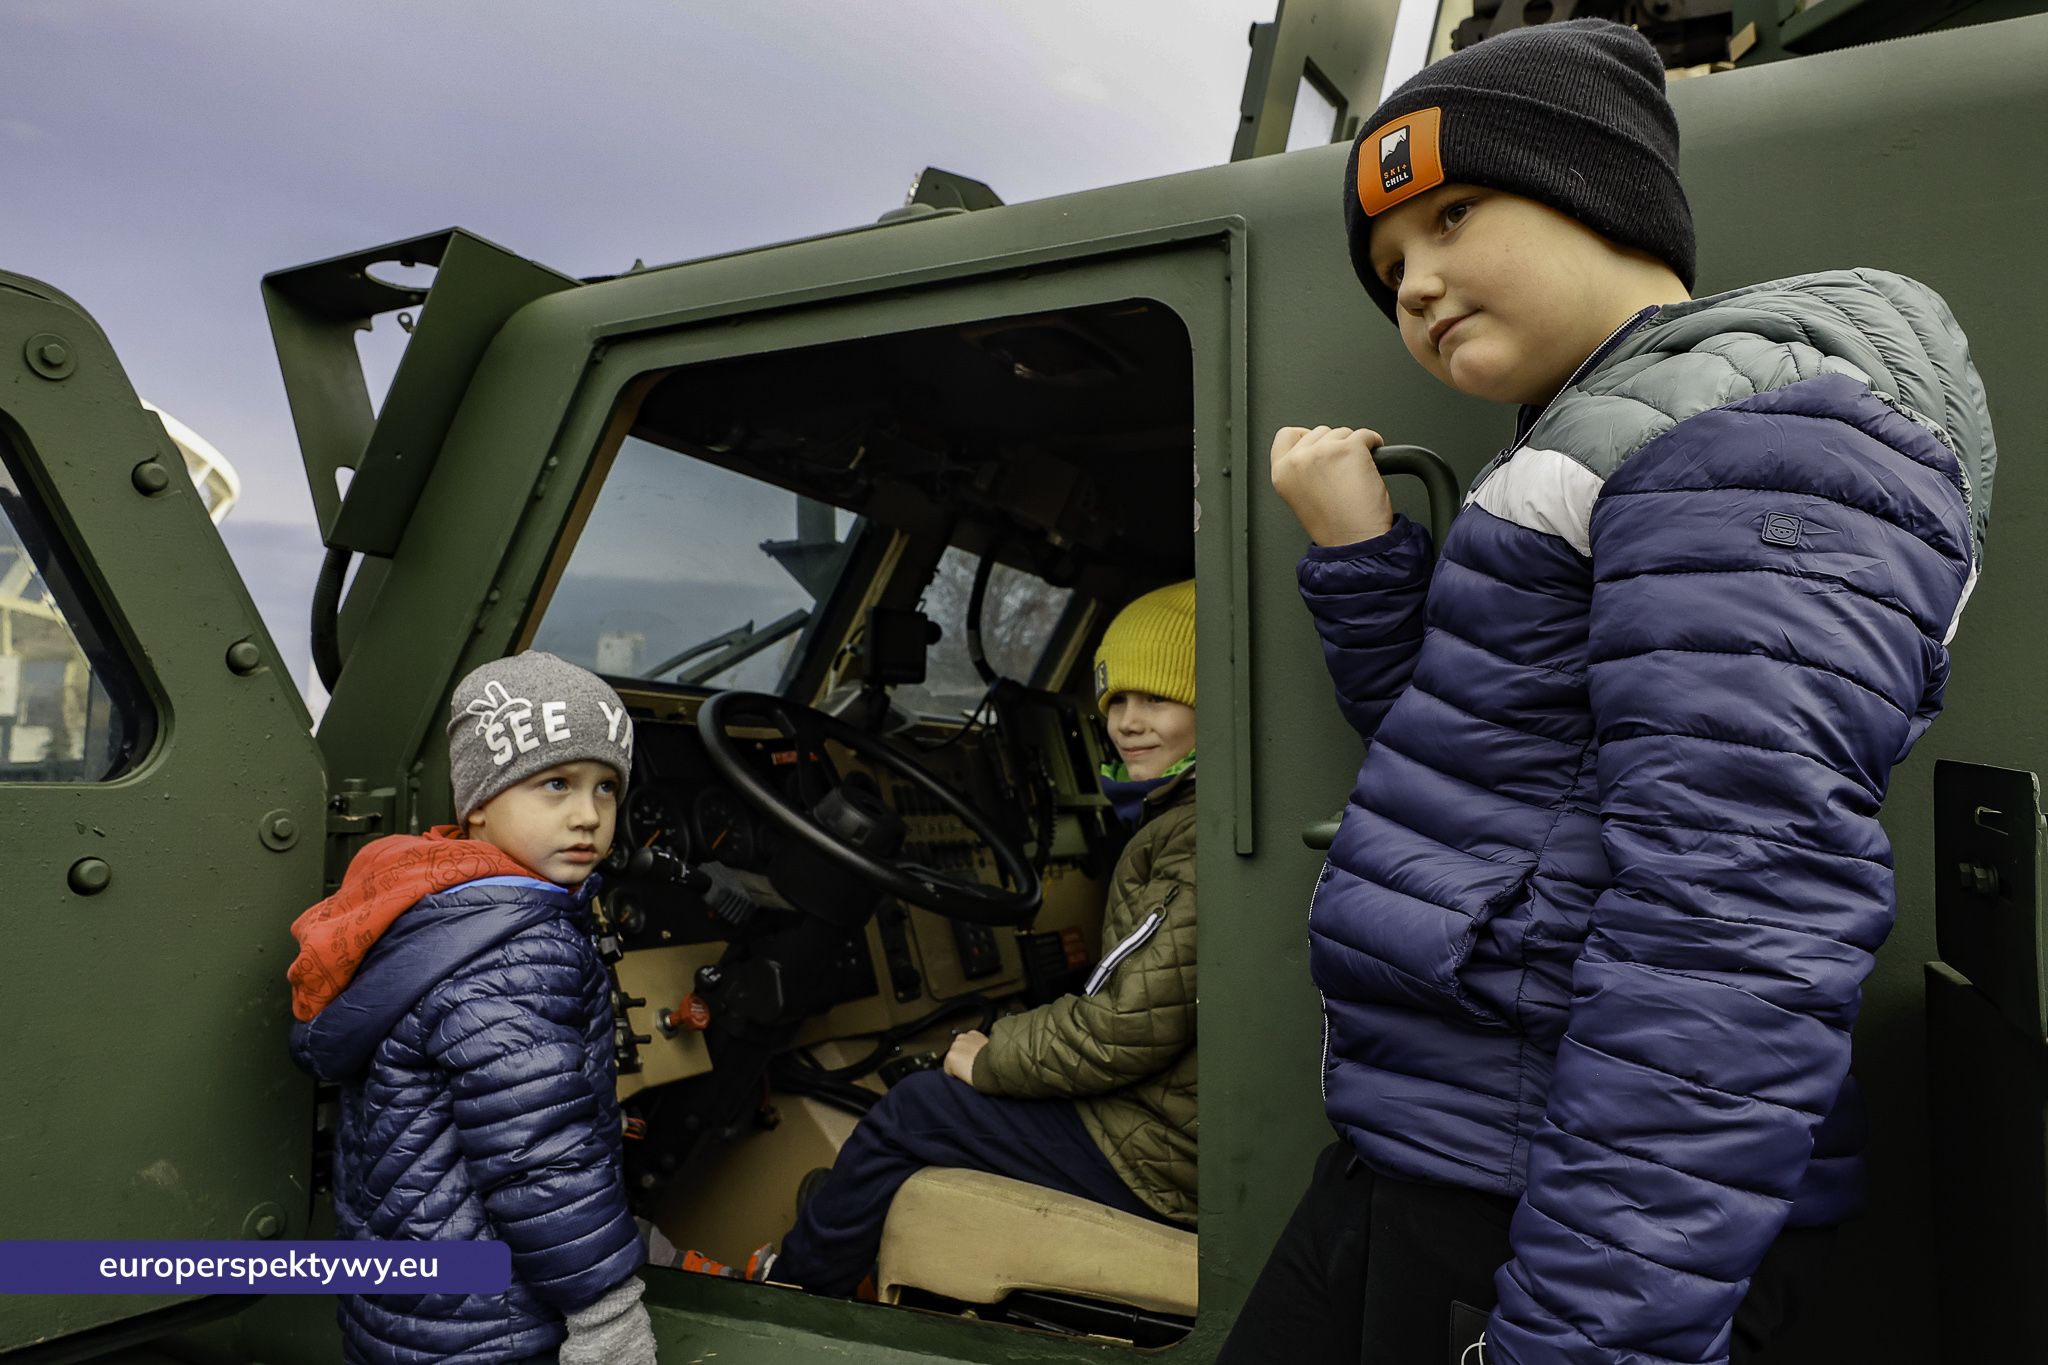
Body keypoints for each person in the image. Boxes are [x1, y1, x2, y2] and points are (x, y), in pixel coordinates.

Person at [1224, 21, 1993, 1365]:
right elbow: (1487, 773)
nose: (1415, 282)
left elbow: (1730, 924)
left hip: (1559, 1207)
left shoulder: (1754, 432)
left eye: (1454, 214)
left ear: (1598, 193)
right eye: (1389, 267)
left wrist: (1585, 1340)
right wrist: (1361, 560)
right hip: (1454, 1152)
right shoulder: (1615, 433)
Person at [736, 578, 1200, 1295]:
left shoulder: (1194, 836)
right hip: (1180, 1128)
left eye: (1158, 701)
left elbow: (1125, 1028)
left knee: (917, 1108)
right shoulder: (1193, 815)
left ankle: (792, 1293)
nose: (1128, 724)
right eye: (1117, 702)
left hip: (1166, 1158)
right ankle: (855, 1231)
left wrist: (993, 1057)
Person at [287, 651, 656, 1365]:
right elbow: (539, 1153)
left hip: (417, 1307)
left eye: (606, 787)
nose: (588, 815)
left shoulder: (435, 903)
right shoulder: (516, 950)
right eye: (556, 783)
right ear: (478, 801)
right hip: (495, 1319)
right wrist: (606, 1309)